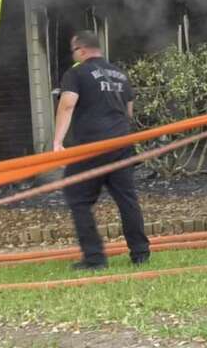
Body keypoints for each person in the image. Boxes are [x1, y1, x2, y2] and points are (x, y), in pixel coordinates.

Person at [52, 30, 150, 270]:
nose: (73, 55)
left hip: (92, 147)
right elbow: (128, 112)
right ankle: (140, 253)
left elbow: (67, 105)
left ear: (82, 50)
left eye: (74, 51)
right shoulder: (120, 74)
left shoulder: (76, 73)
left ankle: (95, 258)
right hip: (121, 145)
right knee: (127, 199)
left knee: (77, 197)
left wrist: (57, 142)